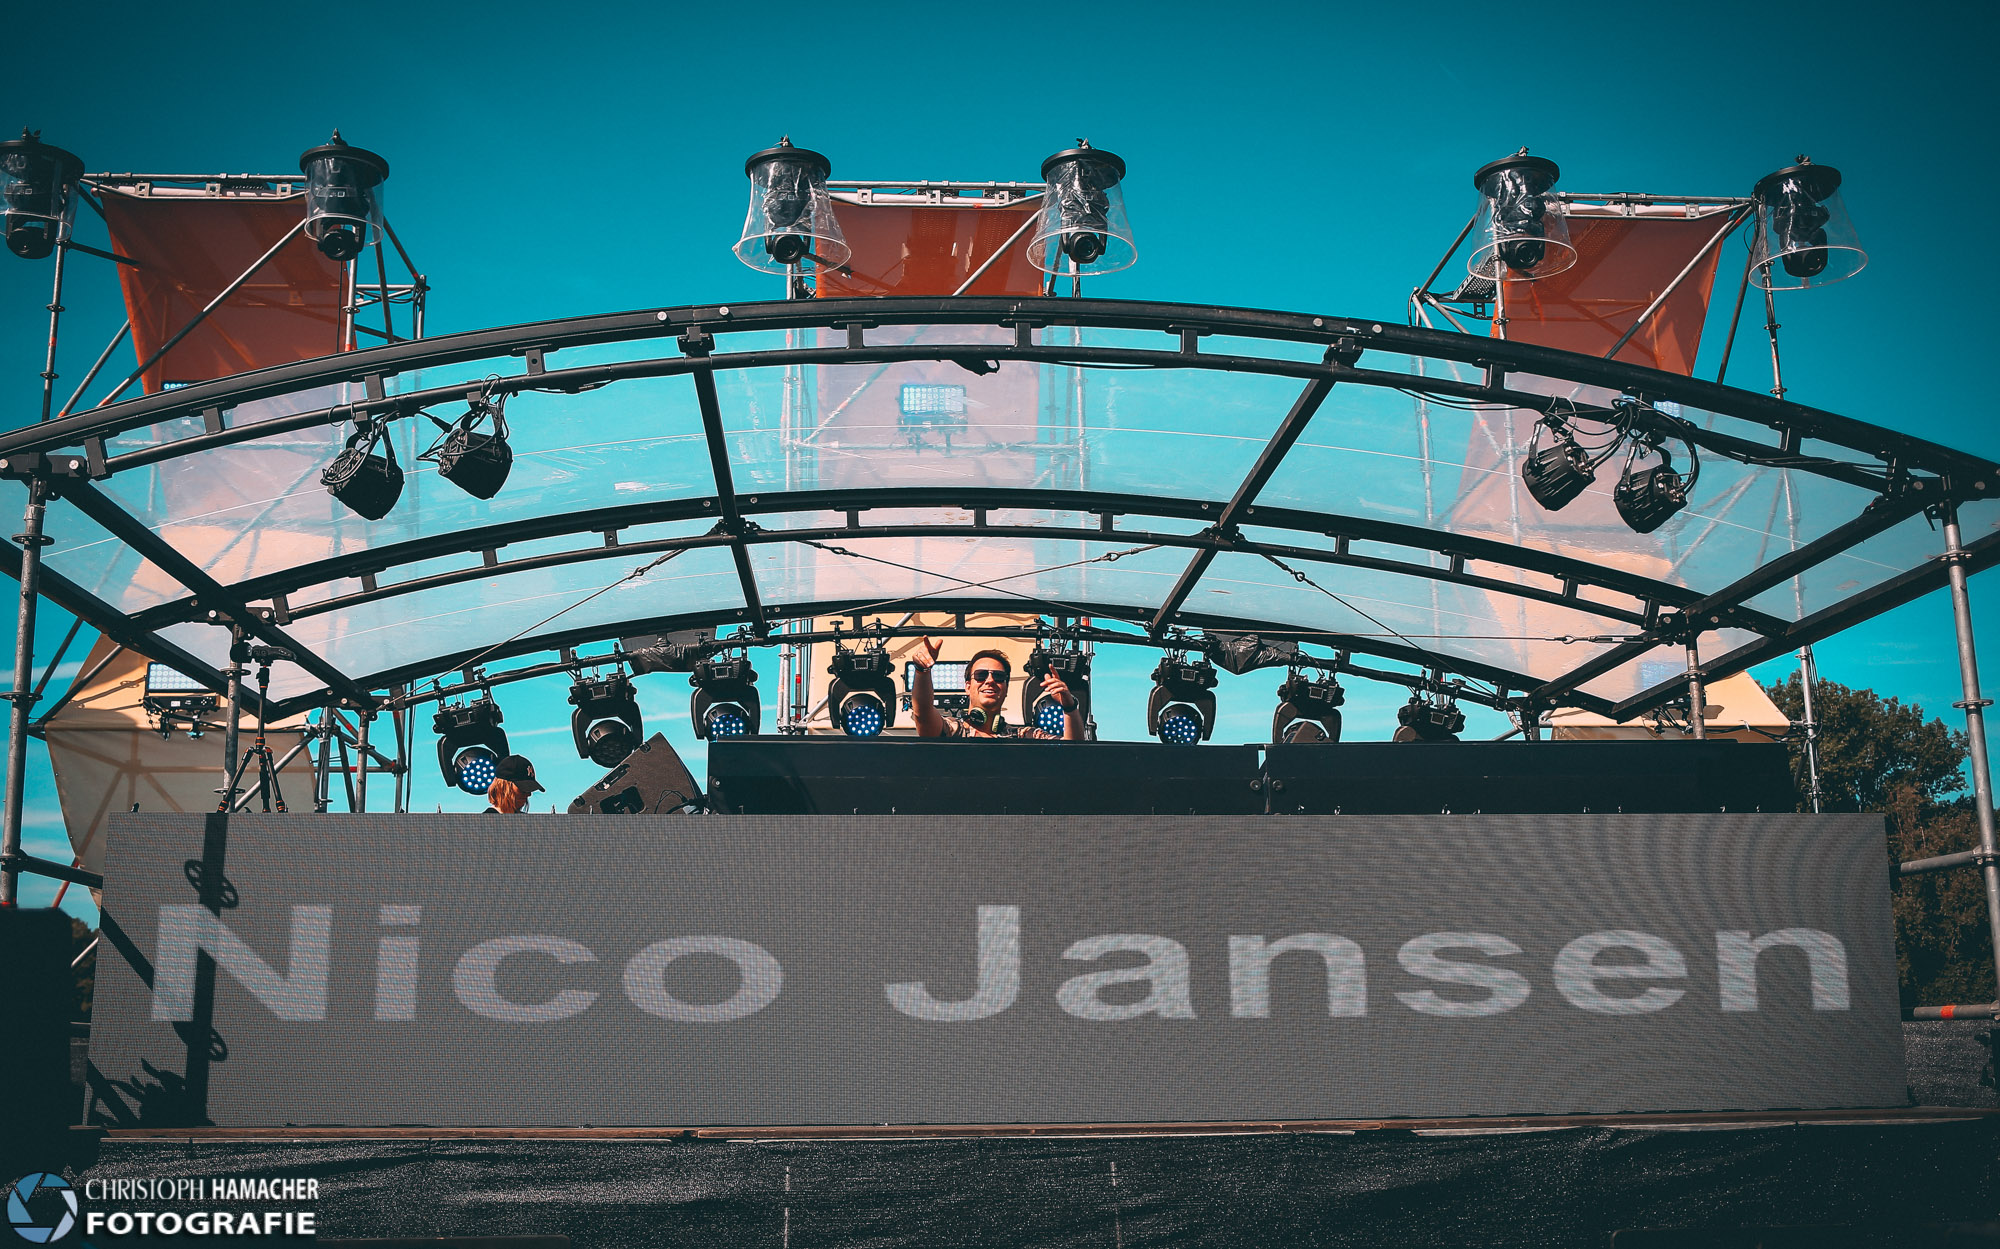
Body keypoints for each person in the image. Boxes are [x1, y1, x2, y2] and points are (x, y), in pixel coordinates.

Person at [910, 638, 1082, 740]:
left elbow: (1071, 752)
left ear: (1006, 689)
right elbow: (922, 713)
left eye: (998, 677)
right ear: (968, 687)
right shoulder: (953, 730)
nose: (990, 680)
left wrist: (1069, 707)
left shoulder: (1023, 736)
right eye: (981, 675)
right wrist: (922, 671)